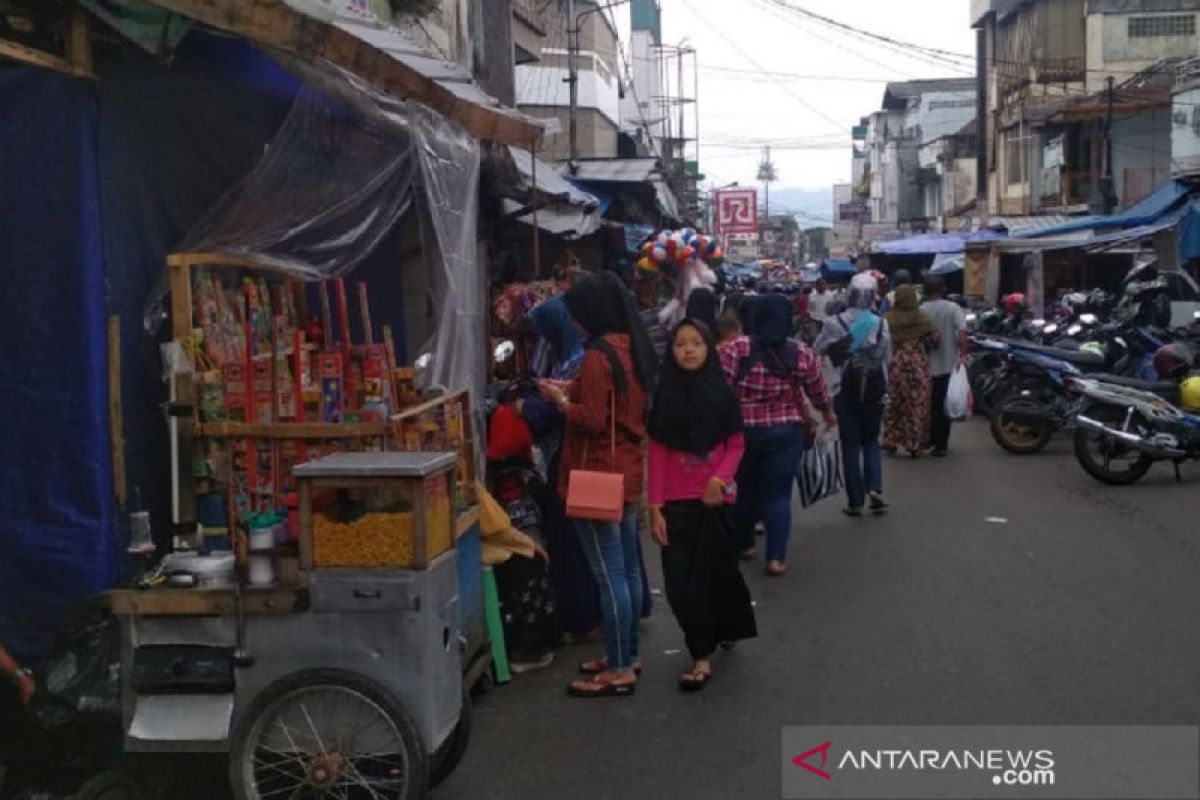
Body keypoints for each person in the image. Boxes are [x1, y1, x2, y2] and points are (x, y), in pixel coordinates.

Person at [538, 271, 657, 698]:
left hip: (596, 475)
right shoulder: (630, 348)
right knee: (625, 567)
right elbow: (614, 402)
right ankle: (626, 652)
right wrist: (572, 390)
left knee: (609, 576)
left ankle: (620, 667)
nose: (574, 321)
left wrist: (560, 400)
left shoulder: (595, 357)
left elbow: (589, 419)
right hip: (626, 470)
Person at [648, 320, 757, 692]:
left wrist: (719, 478)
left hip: (715, 503)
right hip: (676, 506)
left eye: (696, 343)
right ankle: (700, 653)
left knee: (716, 577)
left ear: (709, 348)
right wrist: (654, 506)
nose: (689, 350)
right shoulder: (664, 398)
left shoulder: (722, 395)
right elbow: (658, 454)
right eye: (680, 344)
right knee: (681, 585)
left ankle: (717, 635)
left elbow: (736, 444)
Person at [721, 294, 836, 577]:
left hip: (742, 432)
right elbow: (817, 390)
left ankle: (745, 544)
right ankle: (775, 558)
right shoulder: (801, 353)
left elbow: (720, 390)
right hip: (786, 433)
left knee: (743, 489)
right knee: (778, 495)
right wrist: (828, 413)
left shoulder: (735, 350)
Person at [815, 272, 892, 517]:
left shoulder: (834, 323)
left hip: (843, 389)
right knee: (870, 440)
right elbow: (885, 358)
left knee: (850, 444)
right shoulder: (881, 323)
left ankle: (855, 501)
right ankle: (875, 489)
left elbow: (818, 348)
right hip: (874, 389)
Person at [882, 285, 938, 457]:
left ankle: (890, 440)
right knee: (916, 405)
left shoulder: (888, 319)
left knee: (894, 404)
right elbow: (935, 342)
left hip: (895, 365)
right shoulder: (924, 320)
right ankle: (914, 444)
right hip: (917, 366)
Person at [921, 275, 969, 457]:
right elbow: (962, 333)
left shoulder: (921, 310)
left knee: (929, 404)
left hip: (925, 366)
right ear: (943, 290)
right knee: (944, 403)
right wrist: (963, 354)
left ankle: (931, 439)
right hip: (948, 364)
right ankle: (941, 443)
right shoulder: (953, 308)